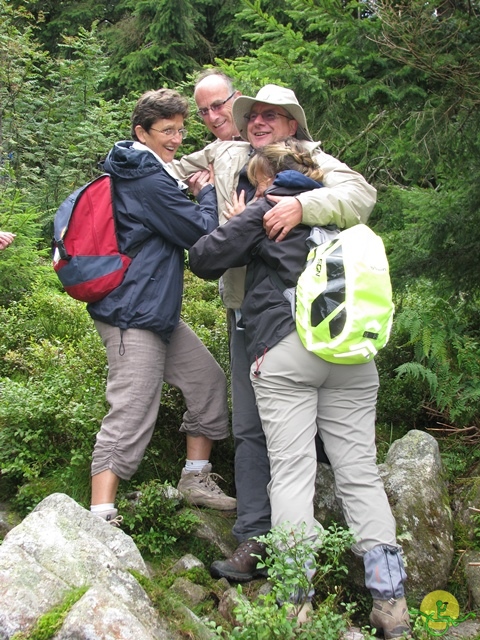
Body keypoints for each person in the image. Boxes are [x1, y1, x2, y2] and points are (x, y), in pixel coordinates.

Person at [188, 138, 411, 640]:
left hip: (288, 353)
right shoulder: (339, 209)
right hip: (352, 357)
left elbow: (203, 259)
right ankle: (391, 604)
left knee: (291, 474)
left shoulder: (267, 206)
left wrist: (237, 218)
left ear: (266, 177)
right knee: (360, 475)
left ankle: (295, 605)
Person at [172, 83, 377, 580]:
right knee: (248, 426)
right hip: (247, 309)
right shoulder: (230, 158)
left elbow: (361, 196)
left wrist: (299, 207)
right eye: (252, 116)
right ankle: (255, 538)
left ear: (292, 124)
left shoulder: (313, 160)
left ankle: (306, 552)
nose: (257, 122)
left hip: (313, 317)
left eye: (271, 116)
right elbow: (164, 163)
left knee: (310, 437)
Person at [86, 88, 236, 524]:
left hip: (155, 312)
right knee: (132, 407)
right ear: (141, 132)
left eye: (180, 129)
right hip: (132, 315)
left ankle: (194, 480)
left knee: (207, 383)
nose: (176, 138)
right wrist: (206, 192)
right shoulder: (145, 178)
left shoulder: (149, 171)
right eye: (166, 130)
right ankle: (100, 516)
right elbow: (199, 231)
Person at [194, 69, 242, 141]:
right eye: (204, 111)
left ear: (237, 98)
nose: (212, 118)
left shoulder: (262, 143)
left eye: (217, 106)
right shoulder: (210, 152)